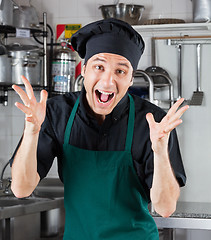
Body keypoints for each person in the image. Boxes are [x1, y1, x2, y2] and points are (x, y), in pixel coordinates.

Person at [10, 18, 188, 240]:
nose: (107, 81)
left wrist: (160, 151)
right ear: (83, 69)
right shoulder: (56, 113)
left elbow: (165, 208)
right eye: (99, 67)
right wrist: (31, 133)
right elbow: (21, 189)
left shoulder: (153, 122)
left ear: (131, 78)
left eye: (120, 71)